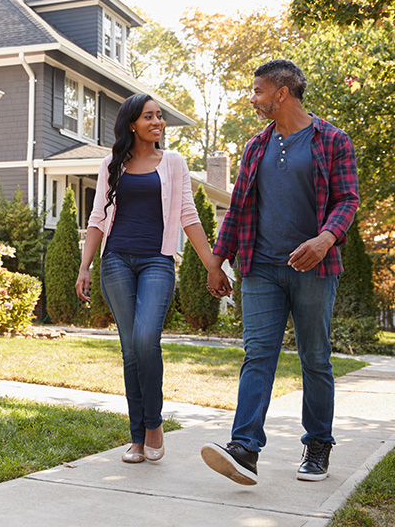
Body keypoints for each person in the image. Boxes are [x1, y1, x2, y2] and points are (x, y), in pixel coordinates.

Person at [201, 59, 359, 485]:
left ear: (281, 93)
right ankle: (245, 448)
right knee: (258, 357)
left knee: (315, 359)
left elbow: (347, 199)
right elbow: (237, 209)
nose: (253, 99)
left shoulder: (332, 141)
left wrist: (326, 238)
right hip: (261, 267)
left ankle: (318, 444)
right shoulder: (256, 147)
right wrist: (217, 260)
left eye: (257, 91)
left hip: (315, 268)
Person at [76, 93, 229, 464]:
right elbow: (98, 218)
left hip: (157, 261)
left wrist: (213, 263)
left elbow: (188, 216)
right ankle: (137, 438)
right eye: (149, 116)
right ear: (132, 123)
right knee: (130, 350)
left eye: (160, 116)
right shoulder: (112, 164)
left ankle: (153, 424)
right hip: (115, 262)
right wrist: (85, 266)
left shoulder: (173, 163)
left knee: (146, 339)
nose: (157, 122)